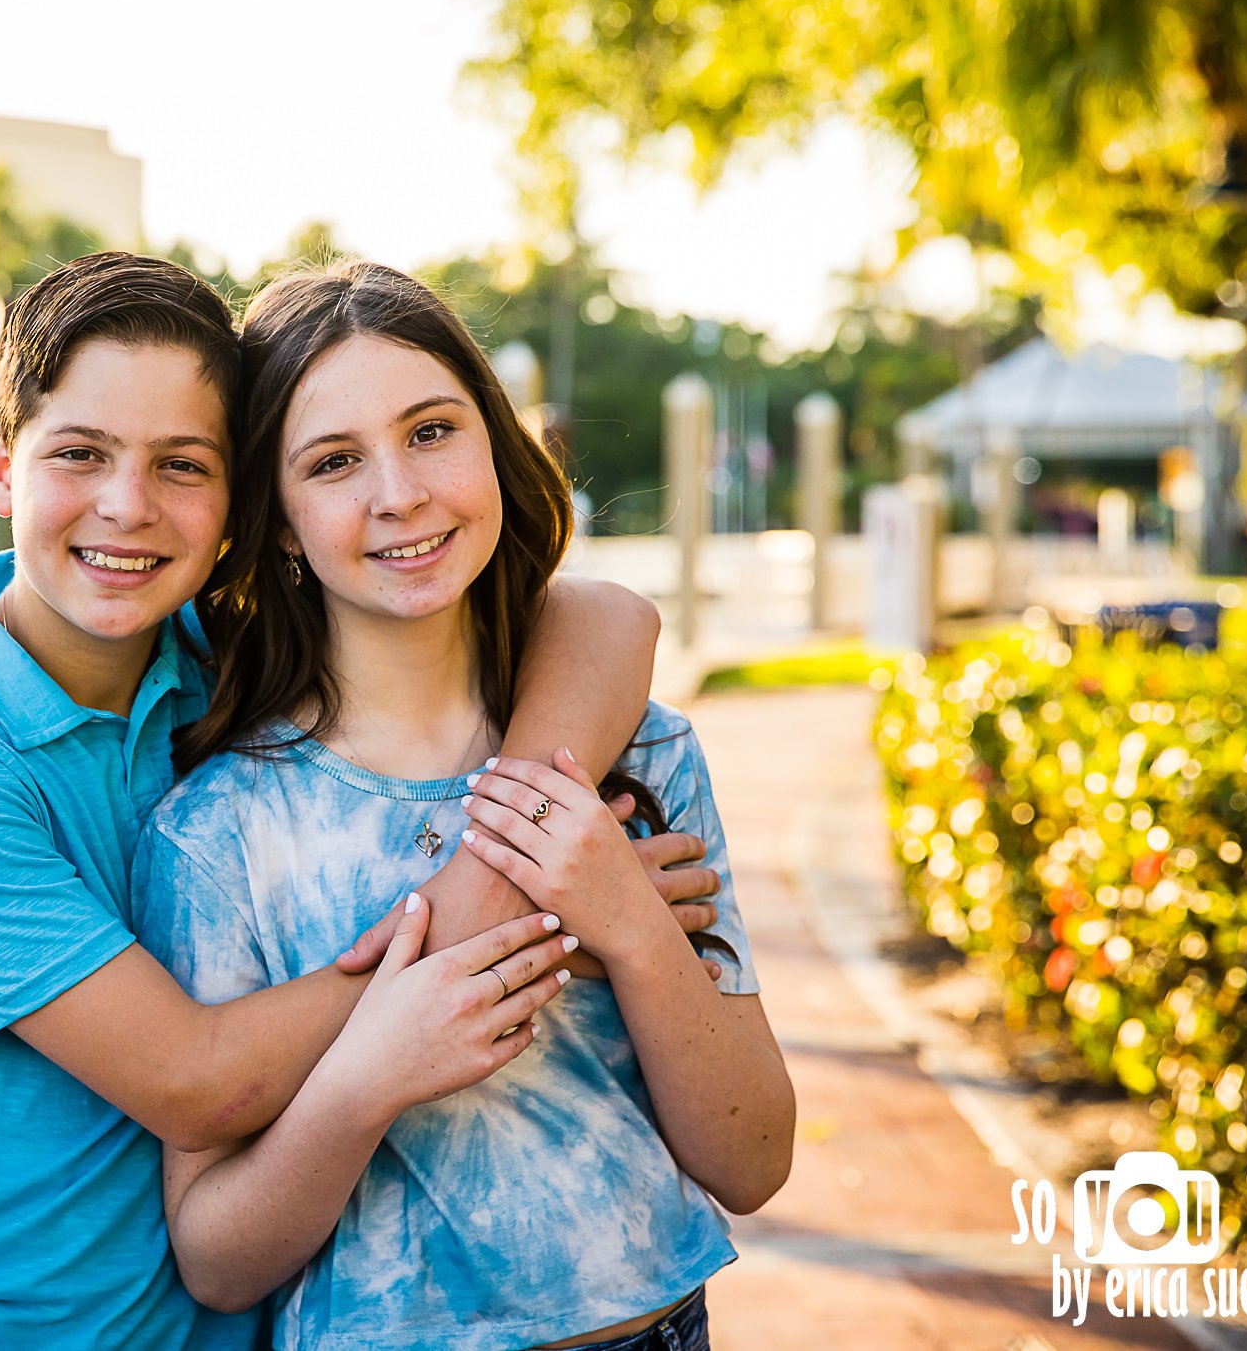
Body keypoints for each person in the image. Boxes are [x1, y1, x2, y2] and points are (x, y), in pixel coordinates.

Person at [0, 252, 722, 1349]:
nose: (126, 508)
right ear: (1, 466)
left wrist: (544, 857)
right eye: (78, 454)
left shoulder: (209, 665)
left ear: (238, 501)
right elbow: (196, 1084)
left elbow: (604, 620)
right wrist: (537, 915)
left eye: (181, 465)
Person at [134, 262, 796, 1350]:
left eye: (431, 431)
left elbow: (752, 1159)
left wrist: (624, 923)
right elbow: (214, 1258)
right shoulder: (218, 833)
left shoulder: (641, 754)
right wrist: (364, 1081)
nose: (397, 492)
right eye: (334, 462)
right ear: (282, 523)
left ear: (494, 444)